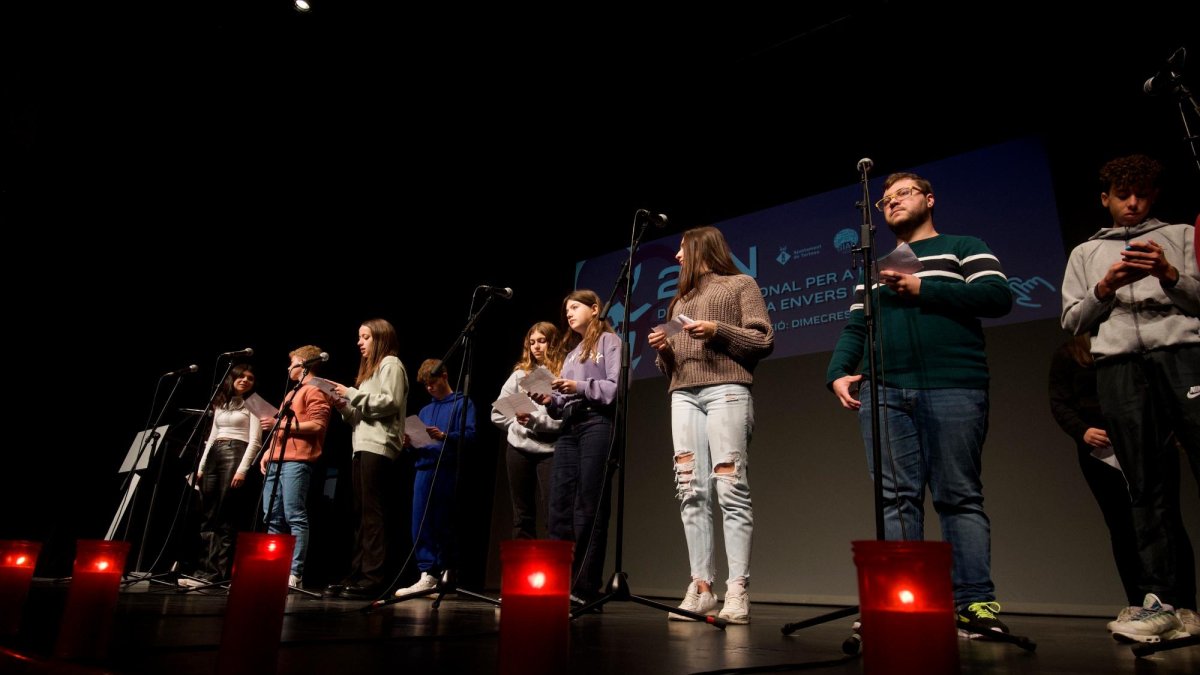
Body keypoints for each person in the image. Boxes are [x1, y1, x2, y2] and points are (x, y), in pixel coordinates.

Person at [825, 172, 1014, 637]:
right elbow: (856, 326)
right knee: (896, 499)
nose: (892, 202)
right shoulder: (875, 267)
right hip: (885, 390)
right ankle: (904, 603)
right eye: (886, 199)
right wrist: (837, 372)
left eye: (903, 193)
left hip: (955, 384)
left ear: (929, 199)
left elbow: (997, 297)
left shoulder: (963, 246)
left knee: (959, 497)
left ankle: (974, 604)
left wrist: (924, 289)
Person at [1060, 153, 1199, 642]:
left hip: (1182, 356)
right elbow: (1071, 321)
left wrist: (1169, 273)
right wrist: (1105, 287)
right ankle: (1166, 603)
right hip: (1119, 366)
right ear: (1106, 199)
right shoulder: (1085, 253)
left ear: (1154, 195)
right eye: (1123, 195)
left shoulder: (1181, 236)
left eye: (1141, 194)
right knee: (1144, 485)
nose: (1133, 203)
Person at [646, 226, 774, 625]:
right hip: (683, 395)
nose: (677, 257)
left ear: (703, 248)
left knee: (730, 487)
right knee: (690, 489)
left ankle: (737, 589)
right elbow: (670, 366)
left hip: (727, 390)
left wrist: (717, 330)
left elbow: (763, 339)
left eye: (683, 249)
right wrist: (664, 350)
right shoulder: (679, 301)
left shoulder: (739, 285)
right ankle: (701, 588)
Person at [530, 289, 620, 605]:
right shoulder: (571, 355)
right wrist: (549, 400)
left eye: (575, 307)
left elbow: (615, 387)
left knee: (588, 505)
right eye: (566, 309)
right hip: (569, 426)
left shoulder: (610, 342)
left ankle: (584, 587)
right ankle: (558, 583)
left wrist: (578, 386)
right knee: (559, 505)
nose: (569, 313)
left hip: (597, 422)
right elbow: (560, 403)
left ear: (595, 309)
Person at [1048, 334, 1141, 606]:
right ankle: (1138, 602)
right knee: (1121, 526)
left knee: (1154, 522)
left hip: (1137, 441)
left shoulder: (1128, 341)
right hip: (1100, 452)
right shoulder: (1070, 353)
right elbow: (1059, 402)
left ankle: (1175, 601)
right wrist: (1083, 431)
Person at [325, 319, 408, 599]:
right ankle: (356, 575)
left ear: (381, 338)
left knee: (372, 514)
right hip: (361, 444)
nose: (359, 342)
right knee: (361, 514)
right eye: (359, 337)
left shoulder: (391, 364)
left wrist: (351, 393)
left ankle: (372, 579)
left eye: (365, 337)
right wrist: (343, 406)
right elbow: (358, 416)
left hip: (379, 445)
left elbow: (390, 403)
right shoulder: (368, 373)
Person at [394, 358, 477, 597]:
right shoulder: (425, 410)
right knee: (420, 522)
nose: (429, 388)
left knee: (443, 521)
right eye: (426, 385)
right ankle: (426, 574)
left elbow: (470, 436)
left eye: (432, 383)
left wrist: (445, 436)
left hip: (446, 469)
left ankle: (445, 573)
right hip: (424, 469)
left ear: (444, 376)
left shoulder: (463, 403)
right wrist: (409, 444)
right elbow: (420, 443)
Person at [179, 363, 262, 587]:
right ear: (231, 378)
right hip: (215, 453)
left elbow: (255, 441)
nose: (245, 380)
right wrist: (201, 467)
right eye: (241, 376)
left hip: (236, 453)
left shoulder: (254, 404)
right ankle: (202, 571)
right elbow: (212, 437)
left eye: (250, 378)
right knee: (208, 515)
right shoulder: (220, 403)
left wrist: (242, 469)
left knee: (225, 515)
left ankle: (216, 574)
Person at [260, 345, 332, 589]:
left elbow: (317, 425)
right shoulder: (292, 393)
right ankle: (273, 568)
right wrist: (269, 452)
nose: (288, 367)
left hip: (297, 461)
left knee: (294, 515)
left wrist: (279, 426)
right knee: (271, 516)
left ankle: (294, 573)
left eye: (292, 363)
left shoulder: (315, 389)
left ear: (303, 364)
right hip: (277, 459)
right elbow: (280, 429)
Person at [491, 321, 564, 540]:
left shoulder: (563, 374)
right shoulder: (519, 375)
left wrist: (535, 422)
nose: (536, 347)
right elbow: (497, 413)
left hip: (550, 450)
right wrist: (517, 422)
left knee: (553, 515)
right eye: (532, 342)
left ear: (553, 343)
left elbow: (565, 419)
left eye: (542, 341)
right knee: (522, 517)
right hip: (518, 449)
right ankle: (523, 562)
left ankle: (554, 561)